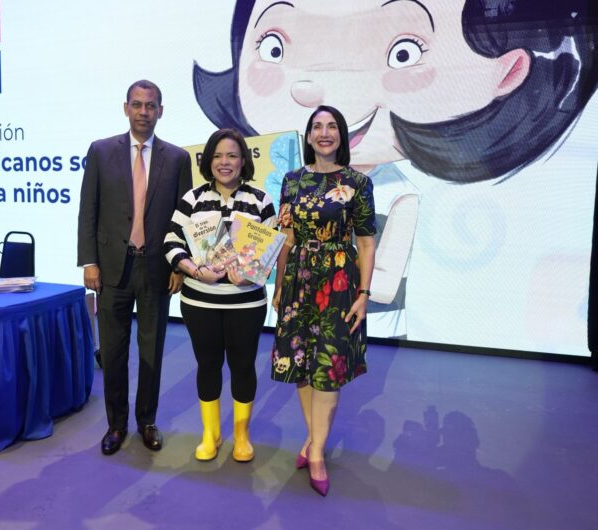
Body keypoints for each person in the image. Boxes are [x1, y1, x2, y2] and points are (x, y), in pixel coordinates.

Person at [194, 0, 598, 340]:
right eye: (273, 47)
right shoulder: (288, 181)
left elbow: (384, 286)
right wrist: (237, 258)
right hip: (292, 314)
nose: (314, 87)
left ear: (508, 70)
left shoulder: (395, 194)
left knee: (333, 396)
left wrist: (317, 260)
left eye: (404, 52)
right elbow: (264, 247)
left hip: (360, 326)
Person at [77, 80, 192, 455]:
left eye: (151, 105)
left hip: (157, 269)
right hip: (111, 269)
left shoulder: (177, 159)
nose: (144, 112)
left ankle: (146, 421)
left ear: (161, 111)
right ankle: (115, 424)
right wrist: (90, 261)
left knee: (151, 352)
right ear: (126, 108)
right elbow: (88, 211)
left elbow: (183, 218)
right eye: (138, 105)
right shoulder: (100, 151)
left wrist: (179, 265)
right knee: (113, 352)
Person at [270, 106, 376, 496]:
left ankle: (315, 451)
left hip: (339, 282)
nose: (324, 133)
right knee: (301, 364)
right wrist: (279, 286)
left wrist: (363, 294)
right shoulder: (292, 181)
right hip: (298, 280)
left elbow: (365, 242)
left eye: (332, 126)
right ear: (309, 136)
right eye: (317, 126)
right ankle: (315, 438)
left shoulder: (358, 182)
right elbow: (286, 239)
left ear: (342, 135)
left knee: (328, 366)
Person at [164, 128, 276, 462]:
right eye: (217, 156)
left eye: (232, 155)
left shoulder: (260, 199)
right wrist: (194, 269)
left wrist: (253, 271)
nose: (224, 162)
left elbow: (271, 249)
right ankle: (209, 435)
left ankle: (242, 436)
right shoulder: (193, 198)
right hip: (200, 301)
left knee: (243, 366)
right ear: (208, 161)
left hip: (247, 303)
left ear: (243, 160)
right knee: (208, 364)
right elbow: (171, 241)